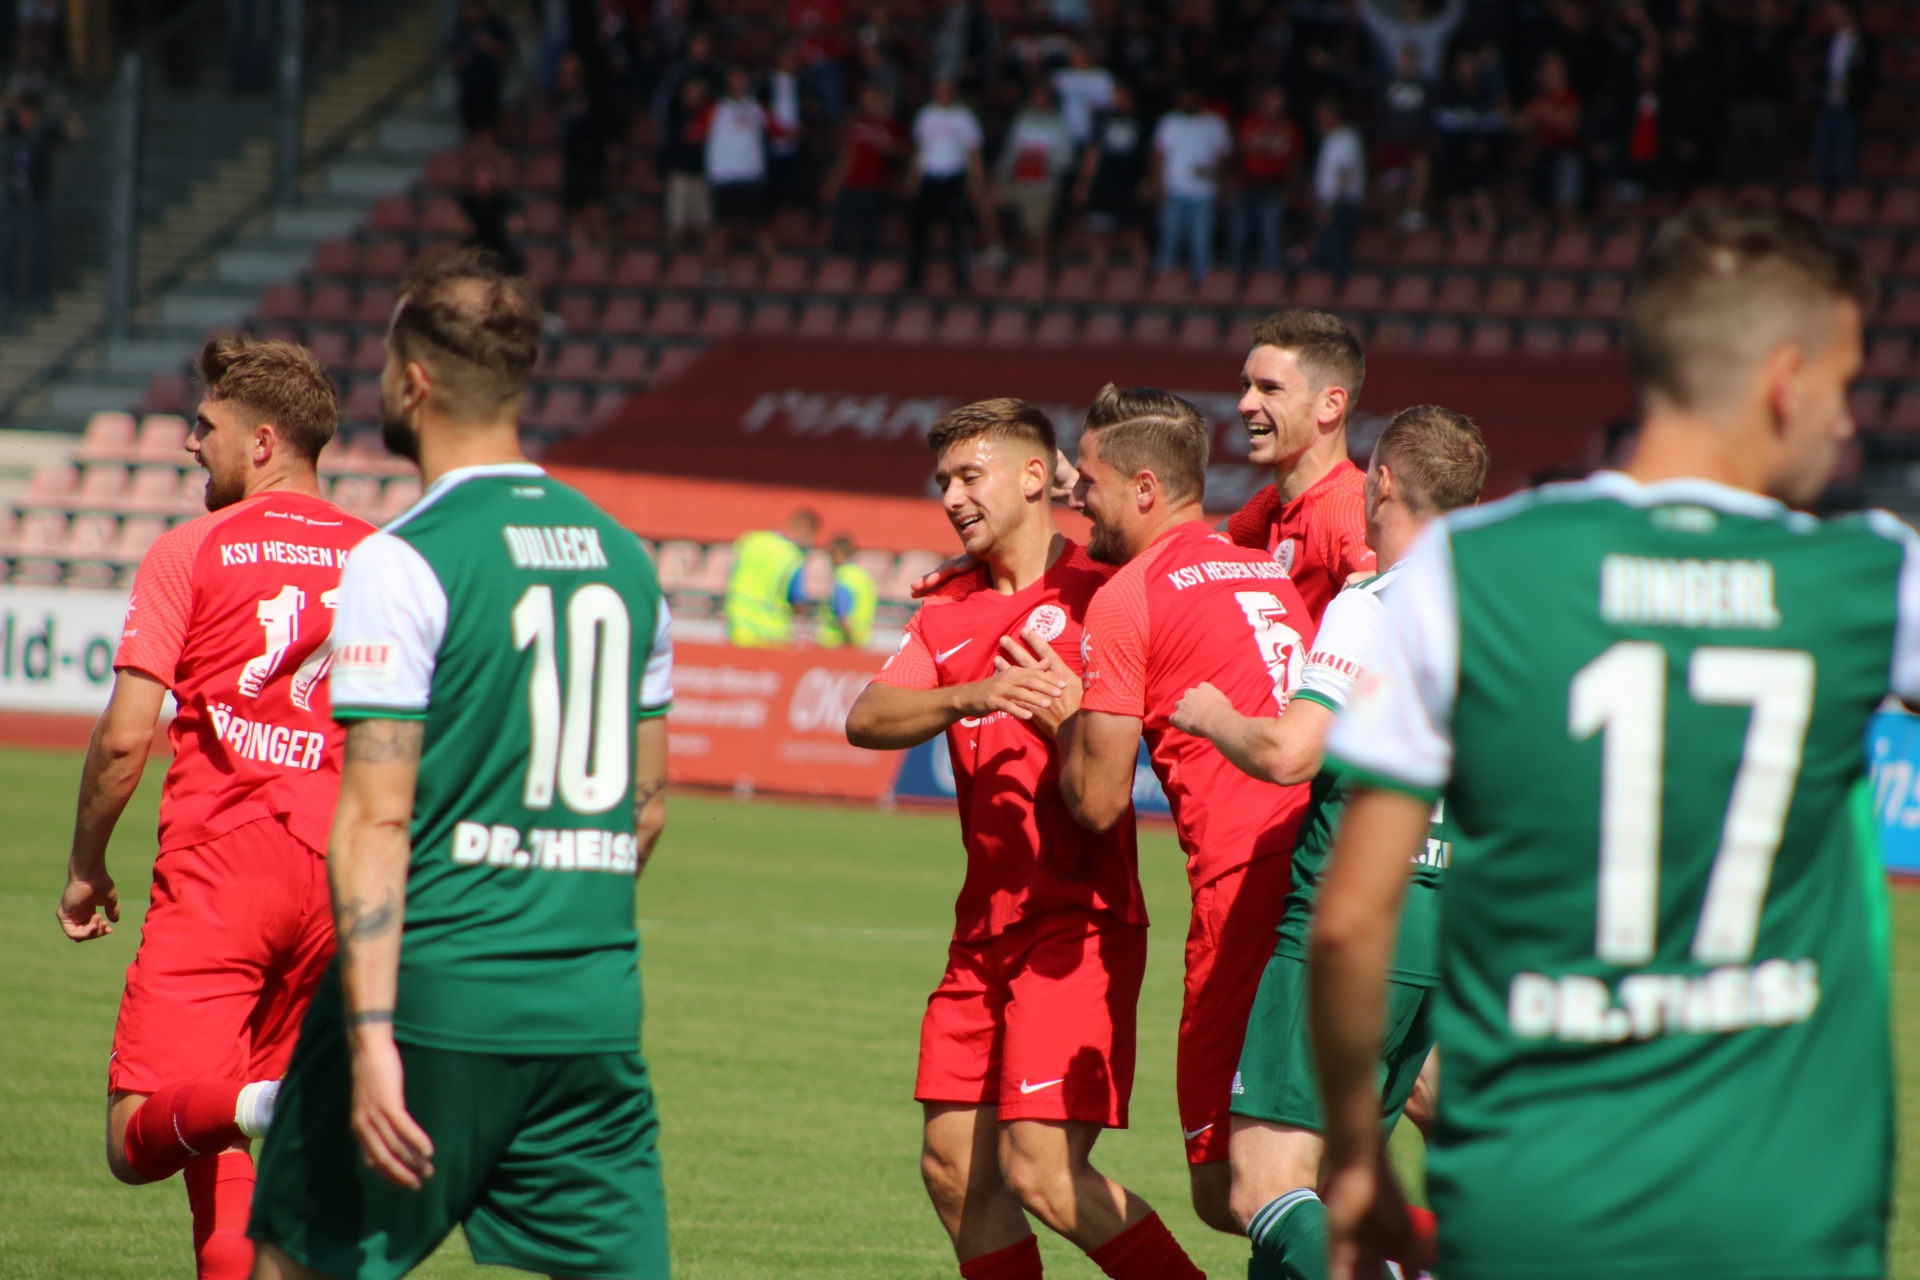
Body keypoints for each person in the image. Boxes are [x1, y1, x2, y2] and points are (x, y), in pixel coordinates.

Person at [1311, 203, 1896, 1280]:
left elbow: (1348, 923)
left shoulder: (1466, 573)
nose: (1850, 423)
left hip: (1535, 1198)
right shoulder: (1863, 578)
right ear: (1787, 380)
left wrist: (1355, 1158)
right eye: (1845, 382)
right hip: (1781, 1201)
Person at [248, 247, 675, 1280]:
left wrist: (372, 1037)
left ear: (413, 383)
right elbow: (647, 807)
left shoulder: (402, 559)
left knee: (299, 1264)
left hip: (437, 999)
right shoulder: (629, 558)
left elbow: (375, 819)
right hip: (589, 1007)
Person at [845, 398, 1206, 1280]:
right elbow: (868, 716)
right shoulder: (946, 610)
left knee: (1042, 1173)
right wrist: (970, 694)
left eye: (970, 476)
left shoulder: (1107, 588)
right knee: (953, 1170)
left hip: (1077, 923)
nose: (952, 498)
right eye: (943, 482)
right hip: (981, 932)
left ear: (1037, 476)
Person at [57, 336, 373, 1280]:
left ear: (262, 441)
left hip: (225, 865)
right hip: (342, 874)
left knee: (137, 1135)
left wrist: (85, 866)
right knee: (224, 1136)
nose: (191, 444)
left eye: (206, 427)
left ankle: (254, 1103)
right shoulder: (387, 560)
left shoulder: (191, 549)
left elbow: (126, 739)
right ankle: (258, 1104)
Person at [1170, 404, 1489, 1280]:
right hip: (1446, 924)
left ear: (1380, 483)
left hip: (1352, 921)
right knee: (1331, 1188)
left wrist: (1213, 715)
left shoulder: (1375, 604)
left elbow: (1289, 753)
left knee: (1263, 1185)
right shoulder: (1500, 612)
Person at [1038, 384, 1318, 1235]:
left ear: (1145, 488)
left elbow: (1097, 802)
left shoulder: (1132, 595)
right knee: (1312, 1162)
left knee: (1230, 1186)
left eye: (1089, 482)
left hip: (1245, 880)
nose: (1077, 498)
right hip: (1332, 852)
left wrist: (1062, 720)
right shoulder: (1261, 568)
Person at [1225, 310, 1377, 624]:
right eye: (1246, 386)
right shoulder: (1270, 505)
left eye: (1270, 389)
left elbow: (1393, 589)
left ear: (1330, 405)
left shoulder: (1343, 506)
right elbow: (1195, 553)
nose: (1245, 404)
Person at [1, 92, 84, 314]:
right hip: (14, 197)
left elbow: (76, 133)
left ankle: (39, 295)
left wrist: (66, 111)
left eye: (26, 112)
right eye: (20, 112)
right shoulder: (13, 129)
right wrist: (8, 100)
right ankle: (5, 292)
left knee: (39, 247)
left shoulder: (45, 133)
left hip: (38, 197)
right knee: (7, 244)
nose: (22, 116)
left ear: (35, 114)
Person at [905, 78, 986, 293]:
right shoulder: (926, 114)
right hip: (929, 177)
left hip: (953, 177)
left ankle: (962, 282)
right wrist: (913, 177)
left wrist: (976, 180)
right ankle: (913, 280)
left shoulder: (964, 117)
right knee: (918, 230)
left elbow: (973, 151)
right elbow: (921, 149)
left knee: (957, 232)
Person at [697, 64, 779, 270]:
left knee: (760, 227)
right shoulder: (717, 109)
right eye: (735, 79)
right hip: (724, 176)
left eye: (742, 79)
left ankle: (774, 271)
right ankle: (712, 272)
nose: (739, 84)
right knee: (720, 229)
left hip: (751, 175)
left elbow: (777, 129)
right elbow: (694, 133)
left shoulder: (756, 108)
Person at [1149, 86, 1232, 287]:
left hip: (1204, 194)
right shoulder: (1170, 121)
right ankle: (1165, 289)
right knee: (1169, 243)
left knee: (1201, 245)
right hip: (1174, 191)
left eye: (1189, 97)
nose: (1185, 101)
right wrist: (1158, 186)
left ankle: (1203, 291)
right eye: (1182, 97)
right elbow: (1158, 155)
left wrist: (1213, 172)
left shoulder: (1215, 123)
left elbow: (1225, 156)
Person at [989, 81, 1075, 265]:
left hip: (1042, 185)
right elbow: (1010, 151)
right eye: (1036, 96)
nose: (1039, 100)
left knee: (1036, 231)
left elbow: (1067, 159)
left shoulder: (1059, 124)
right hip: (1017, 180)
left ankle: (1039, 268)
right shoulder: (1022, 119)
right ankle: (997, 249)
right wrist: (1000, 173)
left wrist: (1044, 161)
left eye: (1043, 96)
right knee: (987, 202)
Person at [826, 82, 908, 270]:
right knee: (840, 228)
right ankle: (833, 268)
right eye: (865, 99)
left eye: (871, 98)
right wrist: (835, 180)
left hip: (873, 186)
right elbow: (847, 154)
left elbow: (907, 151)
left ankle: (865, 270)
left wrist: (891, 145)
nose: (867, 103)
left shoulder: (889, 125)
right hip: (850, 184)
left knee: (868, 232)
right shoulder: (856, 122)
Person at [1073, 82, 1151, 274]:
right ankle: (1097, 280)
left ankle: (1144, 280)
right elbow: (1093, 154)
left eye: (1123, 97)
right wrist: (1083, 186)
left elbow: (1151, 155)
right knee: (1098, 235)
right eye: (1116, 97)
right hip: (1103, 185)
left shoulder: (1143, 121)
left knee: (1134, 236)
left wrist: (1149, 181)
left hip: (1131, 187)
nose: (1119, 101)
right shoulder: (1103, 120)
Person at [1229, 86, 1301, 274]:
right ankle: (1234, 279)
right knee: (1239, 234)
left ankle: (1269, 282)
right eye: (1273, 100)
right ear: (1264, 101)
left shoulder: (1290, 127)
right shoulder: (1251, 121)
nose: (1276, 105)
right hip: (1248, 184)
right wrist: (1269, 142)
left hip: (1274, 186)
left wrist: (1292, 188)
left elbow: (1294, 160)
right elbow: (1247, 144)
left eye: (1280, 101)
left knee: (1271, 236)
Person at [726, 508, 818, 646]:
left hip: (739, 628)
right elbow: (797, 601)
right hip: (771, 636)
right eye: (810, 534)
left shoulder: (751, 541)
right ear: (803, 527)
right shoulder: (793, 557)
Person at [555, 51, 615, 252]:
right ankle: (582, 262)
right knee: (577, 220)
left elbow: (605, 131)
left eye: (572, 72)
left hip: (592, 165)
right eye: (564, 72)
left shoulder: (593, 99)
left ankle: (609, 262)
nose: (568, 76)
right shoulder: (560, 101)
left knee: (597, 216)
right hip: (572, 167)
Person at [1812, 0, 1874, 192]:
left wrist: (1853, 89)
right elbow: (1820, 72)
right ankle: (1821, 200)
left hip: (1850, 107)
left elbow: (1869, 75)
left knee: (1845, 160)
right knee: (1822, 158)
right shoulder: (1828, 40)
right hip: (1828, 105)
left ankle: (1847, 199)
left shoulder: (1864, 41)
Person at [1517, 50, 1582, 214]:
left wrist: (1547, 112)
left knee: (1566, 206)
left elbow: (1570, 128)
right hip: (1544, 155)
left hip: (1565, 153)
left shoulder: (1570, 96)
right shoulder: (1538, 99)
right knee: (1539, 208)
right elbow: (1521, 125)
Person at [1309, 98, 1363, 275]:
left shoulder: (1345, 137)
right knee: (1323, 256)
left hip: (1340, 203)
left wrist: (1330, 207)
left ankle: (1340, 289)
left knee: (1334, 255)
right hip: (1331, 203)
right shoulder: (1331, 139)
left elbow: (1343, 175)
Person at [447, 0, 513, 143]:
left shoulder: (495, 26)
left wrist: (489, 45)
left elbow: (507, 53)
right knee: (470, 129)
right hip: (468, 86)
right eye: (467, 8)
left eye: (473, 8)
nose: (470, 12)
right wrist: (460, 59)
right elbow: (451, 56)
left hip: (489, 85)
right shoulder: (460, 29)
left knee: (488, 128)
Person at [663, 77, 715, 249]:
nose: (693, 98)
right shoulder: (676, 116)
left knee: (704, 227)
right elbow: (674, 143)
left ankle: (706, 263)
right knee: (676, 225)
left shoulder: (711, 116)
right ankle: (671, 261)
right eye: (690, 93)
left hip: (702, 176)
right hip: (681, 175)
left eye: (697, 94)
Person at [455, 156, 525, 276]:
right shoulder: (467, 200)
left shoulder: (504, 200)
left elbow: (517, 225)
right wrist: (463, 226)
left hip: (498, 247)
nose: (484, 181)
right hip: (474, 246)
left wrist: (513, 224)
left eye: (487, 177)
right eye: (480, 177)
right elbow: (459, 224)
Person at [818, 533, 879, 649]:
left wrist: (850, 641)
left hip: (839, 645)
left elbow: (843, 617)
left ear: (835, 553)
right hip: (862, 642)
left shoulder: (842, 578)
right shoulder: (863, 577)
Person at [1051, 40, 1116, 148]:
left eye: (1080, 55)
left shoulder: (1103, 77)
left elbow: (1111, 104)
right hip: (1064, 134)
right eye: (1073, 55)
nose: (1076, 59)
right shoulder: (1061, 76)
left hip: (1094, 133)